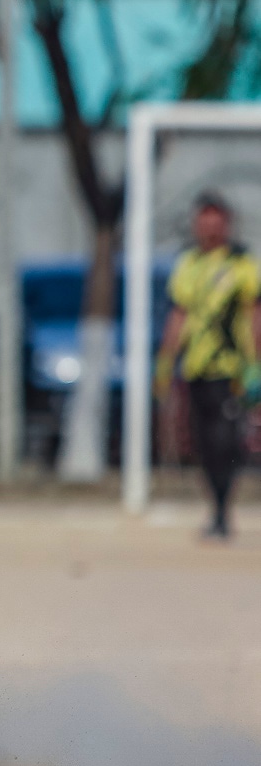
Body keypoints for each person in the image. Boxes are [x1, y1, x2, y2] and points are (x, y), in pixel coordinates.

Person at [156, 193, 261, 539]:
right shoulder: (188, 264)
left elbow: (254, 316)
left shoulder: (242, 265)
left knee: (226, 440)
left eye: (215, 220)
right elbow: (179, 314)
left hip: (232, 369)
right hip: (197, 369)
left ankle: (222, 509)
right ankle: (216, 507)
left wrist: (256, 364)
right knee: (202, 442)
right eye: (203, 220)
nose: (209, 227)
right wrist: (166, 361)